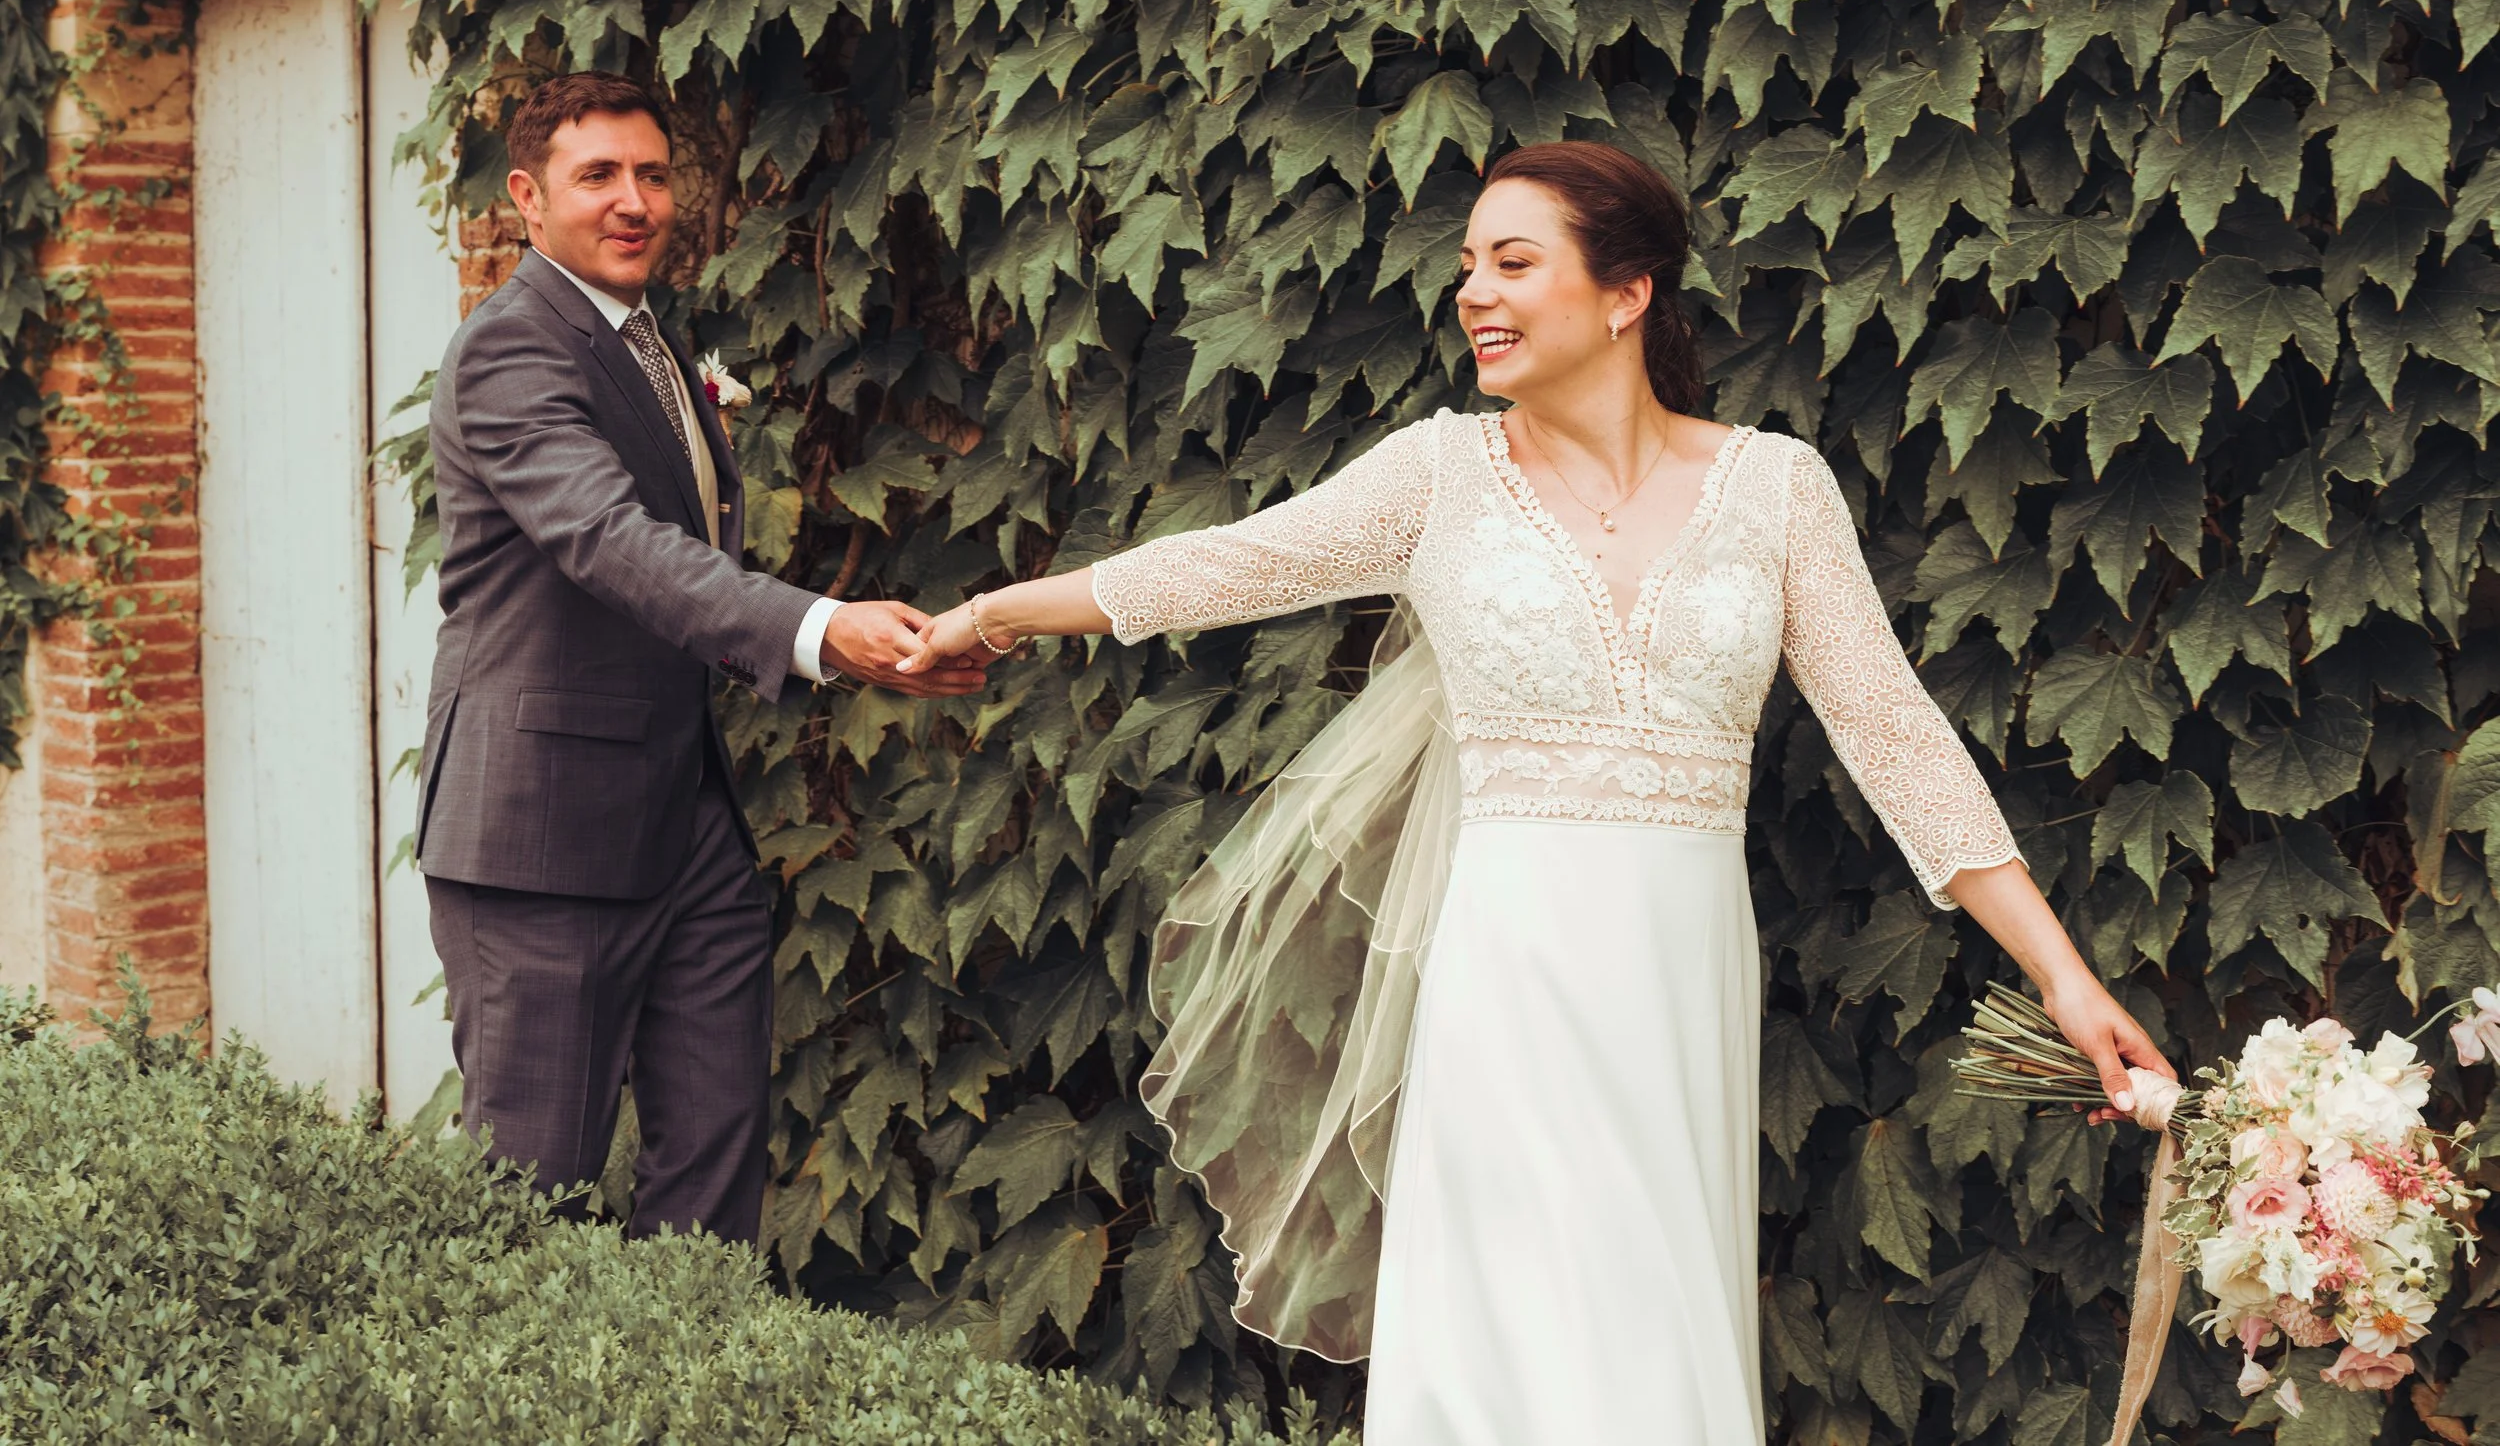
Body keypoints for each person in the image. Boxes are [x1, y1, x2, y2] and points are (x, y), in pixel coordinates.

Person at [893, 140, 2174, 1440]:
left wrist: (2065, 977)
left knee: (1654, 1330)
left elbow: (1897, 736)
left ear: (1628, 293)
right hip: (1508, 967)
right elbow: (1226, 565)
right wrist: (998, 610)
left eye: (1513, 262)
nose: (1473, 293)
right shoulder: (1439, 474)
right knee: (1508, 1335)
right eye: (1466, 268)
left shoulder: (1777, 487)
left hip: (1682, 973)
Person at [416, 72, 988, 1245]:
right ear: (526, 198)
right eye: (599, 176)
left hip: (688, 829)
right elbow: (609, 541)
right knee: (533, 1204)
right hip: (542, 837)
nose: (635, 201)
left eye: (654, 174)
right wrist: (820, 628)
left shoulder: (652, 343)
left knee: (712, 1187)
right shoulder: (509, 350)